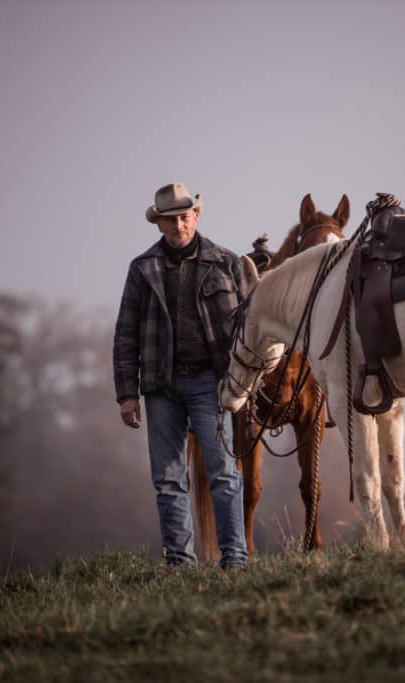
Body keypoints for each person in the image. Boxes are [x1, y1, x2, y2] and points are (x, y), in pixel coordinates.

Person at [113, 182, 249, 569]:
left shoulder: (227, 263)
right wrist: (126, 394)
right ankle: (180, 563)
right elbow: (125, 334)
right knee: (169, 479)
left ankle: (235, 559)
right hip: (161, 387)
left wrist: (246, 383)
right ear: (159, 225)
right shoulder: (142, 269)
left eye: (184, 217)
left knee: (223, 473)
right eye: (170, 220)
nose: (178, 226)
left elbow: (250, 328)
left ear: (197, 216)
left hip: (213, 383)